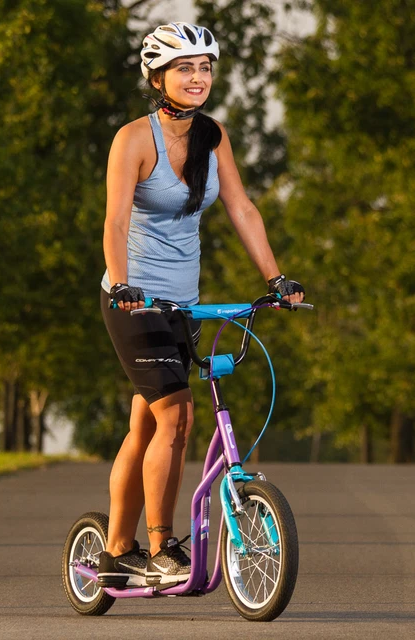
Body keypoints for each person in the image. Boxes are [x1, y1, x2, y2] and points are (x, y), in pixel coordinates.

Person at [96, 22, 305, 588]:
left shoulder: (213, 135)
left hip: (183, 304)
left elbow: (241, 207)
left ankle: (116, 548)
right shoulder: (133, 139)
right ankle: (163, 547)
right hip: (133, 300)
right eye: (185, 68)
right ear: (158, 76)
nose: (198, 78)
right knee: (178, 416)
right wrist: (121, 283)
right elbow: (115, 221)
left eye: (205, 68)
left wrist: (277, 278)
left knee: (146, 427)